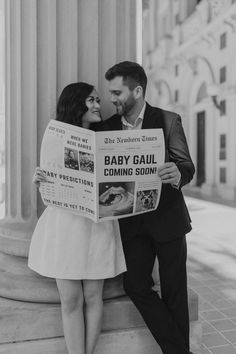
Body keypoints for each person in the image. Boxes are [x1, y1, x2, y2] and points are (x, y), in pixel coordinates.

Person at [102, 61, 195, 354]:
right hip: (131, 225)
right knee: (136, 286)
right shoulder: (106, 128)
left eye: (117, 92)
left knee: (175, 291)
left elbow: (187, 165)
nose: (112, 99)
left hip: (168, 219)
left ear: (138, 90)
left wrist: (179, 174)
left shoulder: (168, 120)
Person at [28, 82, 126, 354]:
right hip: (65, 225)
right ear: (75, 104)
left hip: (96, 224)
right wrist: (40, 180)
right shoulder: (55, 138)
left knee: (94, 296)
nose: (98, 105)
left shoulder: (106, 139)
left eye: (97, 100)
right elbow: (52, 177)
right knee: (70, 299)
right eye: (91, 100)